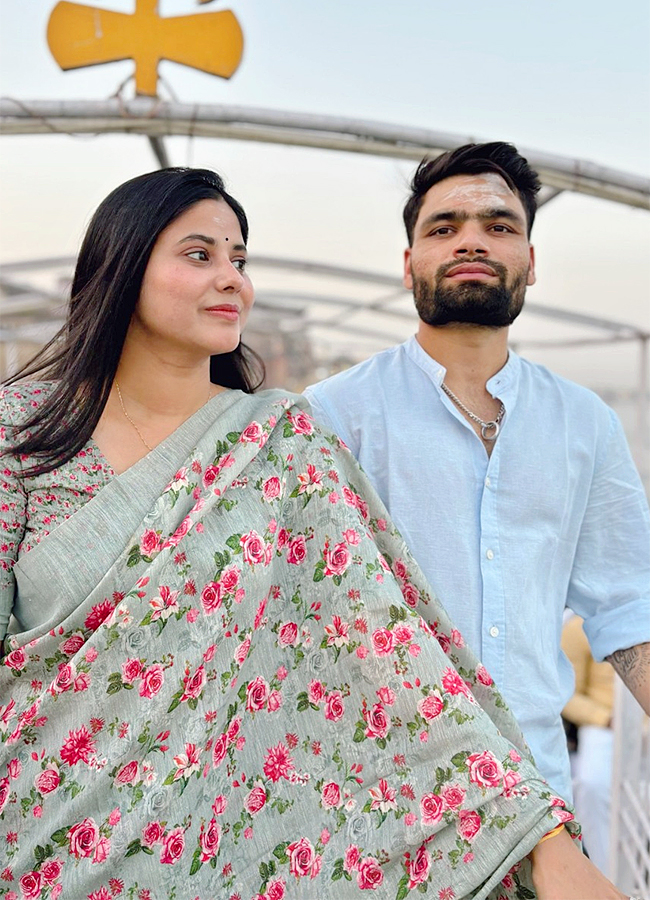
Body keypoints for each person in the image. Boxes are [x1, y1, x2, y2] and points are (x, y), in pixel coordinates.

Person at [0, 167, 628, 900]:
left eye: (240, 259)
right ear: (121, 264)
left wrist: (535, 837)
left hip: (215, 855)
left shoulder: (281, 442)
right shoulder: (21, 432)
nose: (233, 278)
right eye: (200, 254)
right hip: (37, 842)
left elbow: (388, 649)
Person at [304, 142, 650, 806]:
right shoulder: (332, 415)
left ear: (530, 261)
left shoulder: (585, 423)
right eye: (444, 228)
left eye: (499, 225)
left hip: (539, 797)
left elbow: (629, 605)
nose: (471, 241)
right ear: (409, 264)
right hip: (378, 801)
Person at [562, 613, 615, 874]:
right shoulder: (579, 628)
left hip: (643, 728)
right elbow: (566, 695)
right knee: (592, 784)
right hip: (603, 726)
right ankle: (602, 873)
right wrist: (604, 718)